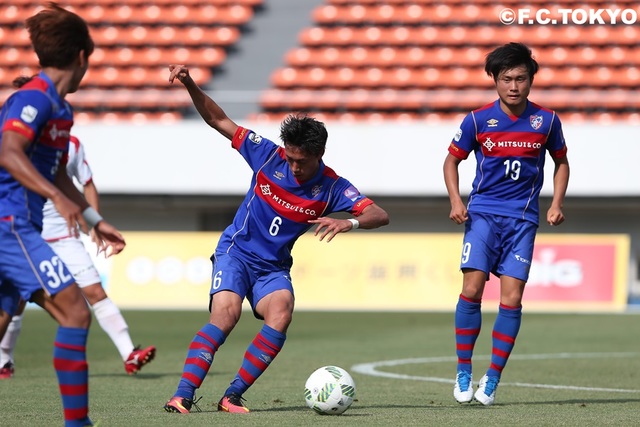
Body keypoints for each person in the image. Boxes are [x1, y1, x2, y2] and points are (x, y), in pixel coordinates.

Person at [162, 64, 390, 414]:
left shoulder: (332, 187)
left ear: (319, 155)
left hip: (272, 267)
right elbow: (218, 120)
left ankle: (231, 396)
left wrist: (350, 222)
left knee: (281, 313)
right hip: (236, 252)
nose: (294, 166)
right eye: (291, 157)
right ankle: (182, 395)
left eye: (302, 161)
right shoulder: (267, 154)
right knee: (225, 315)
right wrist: (190, 83)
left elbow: (379, 214)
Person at [0, 3, 125, 426]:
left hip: (18, 225)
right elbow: (9, 152)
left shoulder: (60, 109)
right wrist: (58, 197)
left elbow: (56, 173)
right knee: (75, 312)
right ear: (82, 56)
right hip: (10, 224)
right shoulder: (33, 98)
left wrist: (95, 221)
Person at [444, 42, 570, 406]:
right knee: (472, 289)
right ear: (494, 80)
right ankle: (464, 370)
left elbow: (561, 162)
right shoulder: (477, 120)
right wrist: (456, 200)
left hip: (523, 219)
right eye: (506, 79)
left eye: (520, 78)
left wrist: (557, 203)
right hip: (482, 215)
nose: (514, 86)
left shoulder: (547, 121)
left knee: (512, 298)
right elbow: (451, 161)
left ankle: (493, 378)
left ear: (531, 80)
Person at [0, 135, 155, 379]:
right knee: (15, 301)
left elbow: (85, 184)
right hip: (26, 234)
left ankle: (129, 354)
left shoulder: (70, 144)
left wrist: (95, 223)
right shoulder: (16, 142)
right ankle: (4, 359)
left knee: (94, 292)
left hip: (65, 236)